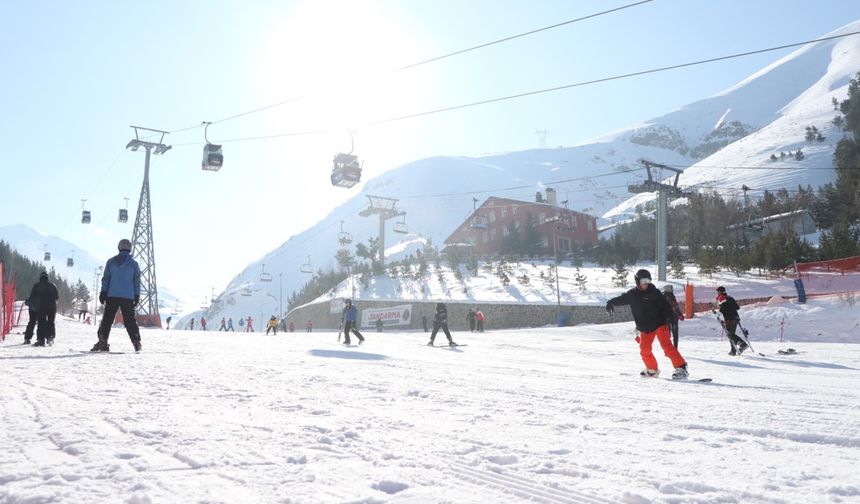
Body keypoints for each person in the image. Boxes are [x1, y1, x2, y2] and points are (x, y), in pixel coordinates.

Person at [605, 269, 688, 379]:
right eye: (644, 281)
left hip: (660, 324)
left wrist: (671, 316)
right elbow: (621, 299)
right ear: (637, 281)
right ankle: (652, 369)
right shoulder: (632, 294)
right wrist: (610, 303)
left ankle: (681, 368)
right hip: (645, 328)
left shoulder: (655, 293)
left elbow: (666, 306)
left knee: (666, 346)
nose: (646, 284)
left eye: (648, 281)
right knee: (644, 349)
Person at [91, 239, 142, 352]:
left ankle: (102, 341)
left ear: (119, 248)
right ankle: (136, 341)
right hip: (128, 297)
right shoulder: (134, 265)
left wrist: (103, 292)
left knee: (107, 320)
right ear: (130, 249)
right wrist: (136, 295)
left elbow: (106, 279)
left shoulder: (111, 262)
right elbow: (136, 281)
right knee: (130, 321)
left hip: (112, 295)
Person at [28, 271, 59, 346]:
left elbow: (32, 296)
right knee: (51, 322)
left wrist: (31, 303)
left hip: (41, 307)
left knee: (41, 322)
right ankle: (50, 337)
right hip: (52, 307)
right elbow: (57, 297)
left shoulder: (37, 285)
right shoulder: (52, 285)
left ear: (40, 277)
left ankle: (41, 340)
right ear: (47, 278)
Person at [716, 286, 746, 355]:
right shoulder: (731, 298)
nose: (717, 293)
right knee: (731, 334)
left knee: (730, 335)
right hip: (736, 317)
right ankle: (733, 350)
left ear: (720, 292)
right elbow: (737, 307)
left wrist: (718, 313)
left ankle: (742, 344)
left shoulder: (721, 298)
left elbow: (722, 308)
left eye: (718, 292)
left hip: (729, 319)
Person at [662, 285, 684, 349]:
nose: (672, 290)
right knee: (675, 334)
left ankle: (668, 348)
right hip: (673, 317)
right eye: (671, 289)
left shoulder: (662, 296)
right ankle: (675, 348)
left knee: (667, 334)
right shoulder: (670, 296)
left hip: (665, 318)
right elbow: (675, 306)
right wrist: (680, 314)